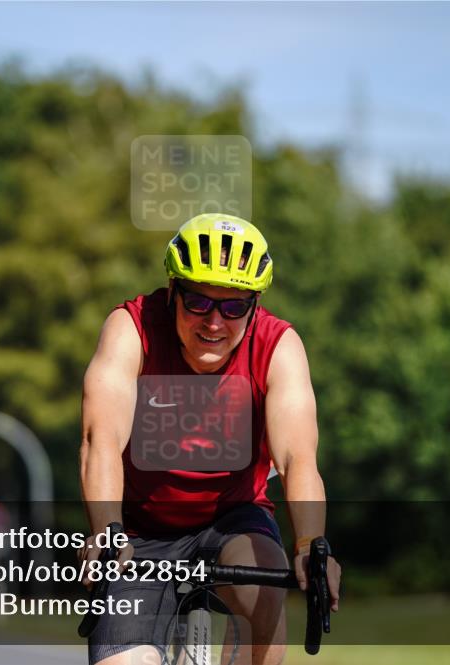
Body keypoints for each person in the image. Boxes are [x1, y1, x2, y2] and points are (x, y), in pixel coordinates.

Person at [80, 213, 341, 665]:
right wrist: (105, 530)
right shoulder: (132, 328)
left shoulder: (278, 346)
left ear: (255, 305)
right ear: (172, 293)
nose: (214, 322)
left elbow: (298, 457)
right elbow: (99, 439)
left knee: (264, 578)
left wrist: (309, 546)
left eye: (233, 307)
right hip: (139, 530)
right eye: (198, 303)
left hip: (233, 519)